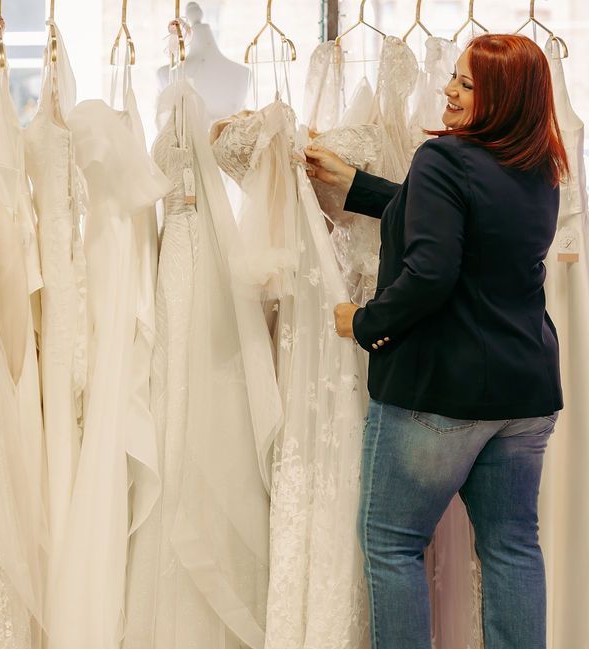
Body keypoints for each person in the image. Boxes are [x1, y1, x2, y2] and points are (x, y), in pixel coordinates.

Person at [305, 34, 567, 649]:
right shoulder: (539, 167)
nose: (448, 89)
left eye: (468, 84)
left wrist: (363, 322)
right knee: (512, 549)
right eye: (454, 76)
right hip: (525, 395)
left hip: (442, 393)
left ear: (501, 99)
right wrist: (360, 185)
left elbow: (431, 271)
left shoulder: (444, 159)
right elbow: (457, 221)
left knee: (393, 546)